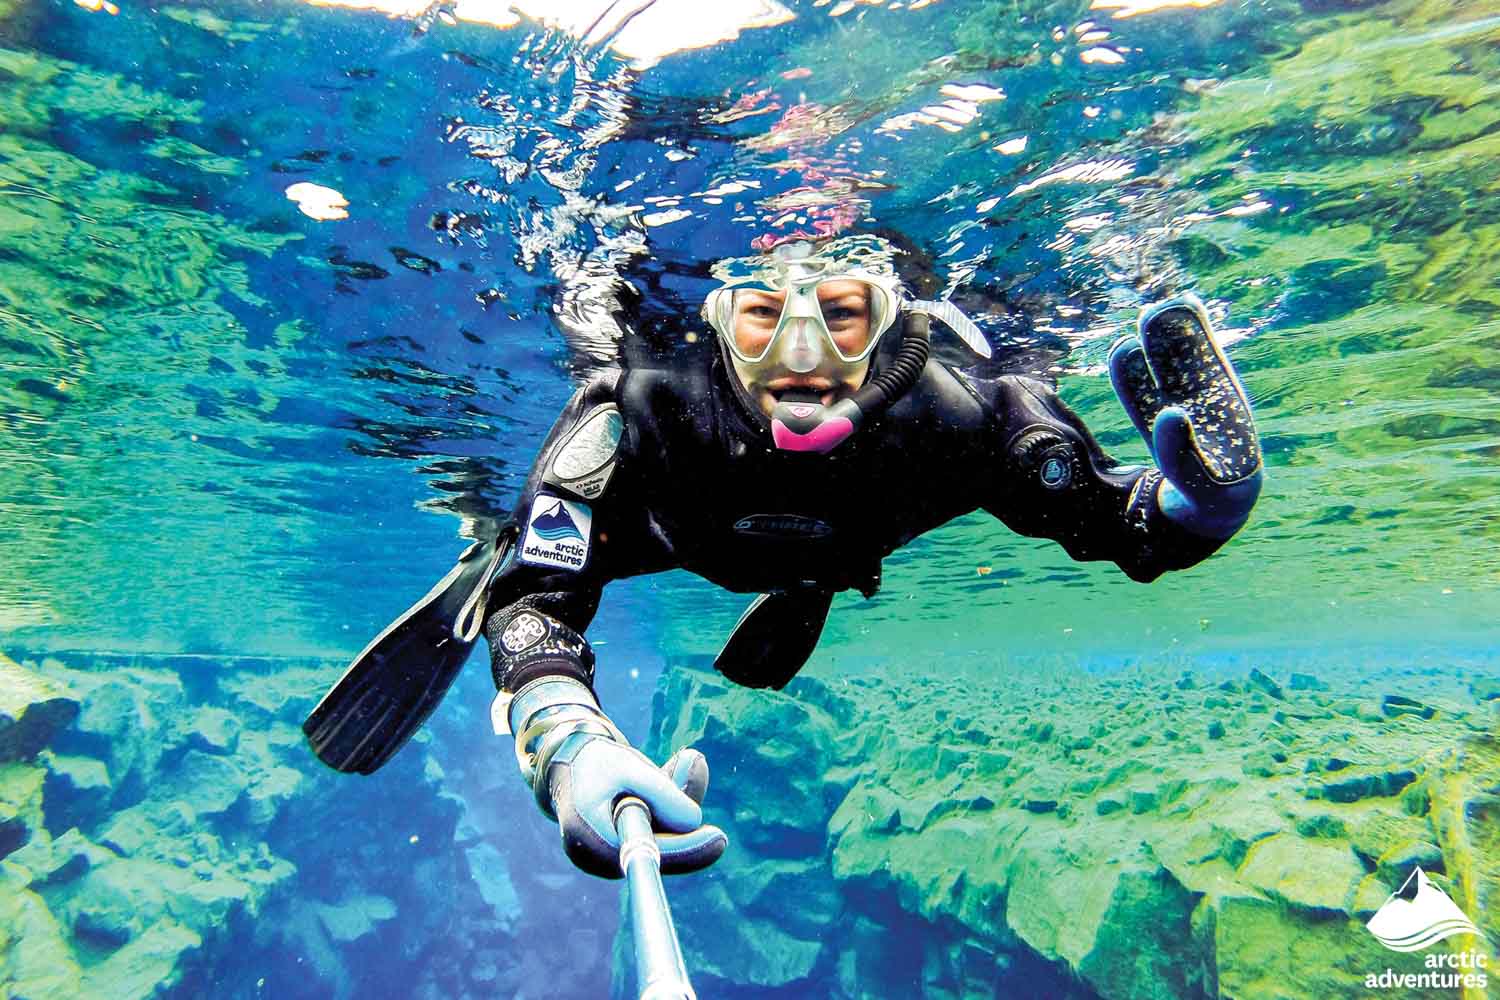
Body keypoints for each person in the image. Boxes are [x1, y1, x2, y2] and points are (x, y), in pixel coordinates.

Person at [304, 233, 1263, 880]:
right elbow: (542, 608)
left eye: (842, 314)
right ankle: (487, 533)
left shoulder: (960, 414)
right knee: (529, 555)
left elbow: (1116, 523)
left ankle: (803, 582)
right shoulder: (636, 406)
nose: (801, 353)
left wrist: (1195, 512)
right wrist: (569, 747)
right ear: (716, 319)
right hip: (658, 529)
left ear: (895, 321)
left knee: (804, 563)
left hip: (818, 561)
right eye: (764, 315)